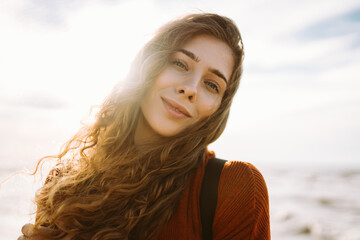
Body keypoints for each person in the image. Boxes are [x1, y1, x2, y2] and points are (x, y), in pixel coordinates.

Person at [19, 13, 270, 240]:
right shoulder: (63, 185)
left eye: (212, 85)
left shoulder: (235, 187)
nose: (191, 89)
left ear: (217, 110)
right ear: (149, 65)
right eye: (180, 64)